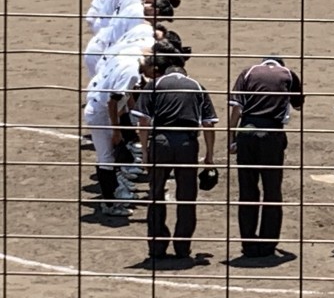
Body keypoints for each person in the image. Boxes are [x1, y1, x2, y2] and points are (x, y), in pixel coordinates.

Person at [132, 40, 217, 259]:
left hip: (160, 143)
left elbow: (143, 122)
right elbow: (208, 123)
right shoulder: (196, 86)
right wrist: (209, 156)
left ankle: (157, 247)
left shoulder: (155, 85)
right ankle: (182, 247)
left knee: (155, 195)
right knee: (187, 198)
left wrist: (145, 152)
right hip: (187, 145)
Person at [228, 56, 303, 258]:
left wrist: (231, 137)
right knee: (272, 190)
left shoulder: (248, 72)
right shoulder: (288, 74)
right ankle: (268, 245)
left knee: (247, 190)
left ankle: (248, 244)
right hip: (272, 133)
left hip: (247, 131)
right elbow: (298, 105)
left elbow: (237, 108)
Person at [84, 46, 149, 216]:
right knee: (106, 158)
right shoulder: (132, 73)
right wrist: (116, 131)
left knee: (111, 156)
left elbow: (121, 99)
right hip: (100, 113)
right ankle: (110, 204)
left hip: (99, 106)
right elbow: (112, 103)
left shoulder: (131, 60)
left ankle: (117, 191)